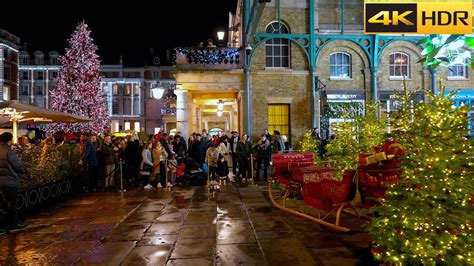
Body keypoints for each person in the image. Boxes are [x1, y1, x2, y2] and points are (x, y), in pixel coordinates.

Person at [0, 132, 26, 234]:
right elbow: (17, 165)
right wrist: (22, 171)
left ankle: (1, 227)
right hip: (9, 181)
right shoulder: (8, 151)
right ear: (9, 140)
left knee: (1, 204)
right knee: (11, 203)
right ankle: (12, 224)